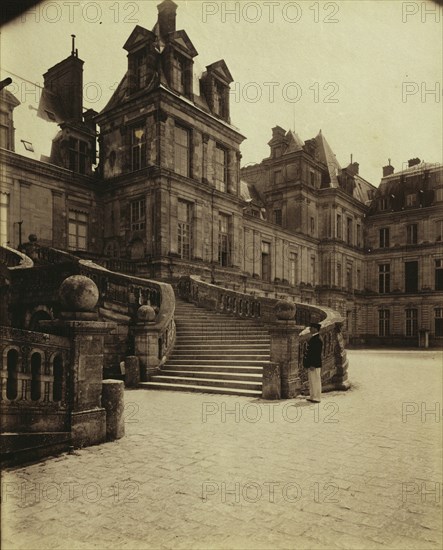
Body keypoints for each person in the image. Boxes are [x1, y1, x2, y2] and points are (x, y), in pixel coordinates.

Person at [303, 323, 323, 403]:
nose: (310, 329)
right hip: (311, 363)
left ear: (315, 329)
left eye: (311, 328)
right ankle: (312, 396)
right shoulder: (314, 338)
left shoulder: (317, 339)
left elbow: (316, 353)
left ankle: (317, 397)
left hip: (314, 364)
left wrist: (313, 364)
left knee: (315, 380)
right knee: (311, 380)